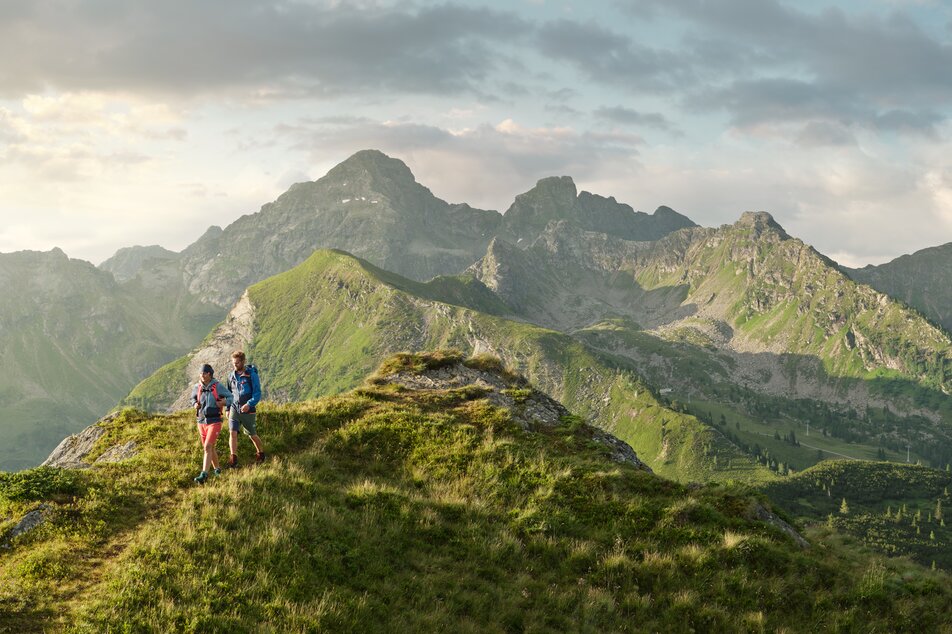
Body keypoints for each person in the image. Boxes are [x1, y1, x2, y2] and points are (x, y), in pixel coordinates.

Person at [191, 363, 233, 484]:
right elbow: (192, 398)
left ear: (210, 374)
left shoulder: (217, 386)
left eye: (204, 373)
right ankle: (217, 470)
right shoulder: (197, 387)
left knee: (207, 447)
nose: (202, 375)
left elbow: (231, 397)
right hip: (201, 421)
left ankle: (204, 474)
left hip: (214, 421)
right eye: (200, 373)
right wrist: (194, 404)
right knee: (210, 447)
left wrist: (224, 402)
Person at [227, 350, 266, 467]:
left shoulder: (251, 375)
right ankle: (233, 459)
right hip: (235, 407)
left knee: (252, 434)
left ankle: (261, 454)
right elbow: (228, 393)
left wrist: (249, 404)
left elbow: (257, 393)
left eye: (237, 363)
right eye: (233, 363)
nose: (235, 365)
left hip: (248, 410)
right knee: (232, 432)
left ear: (243, 361)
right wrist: (228, 409)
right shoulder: (230, 376)